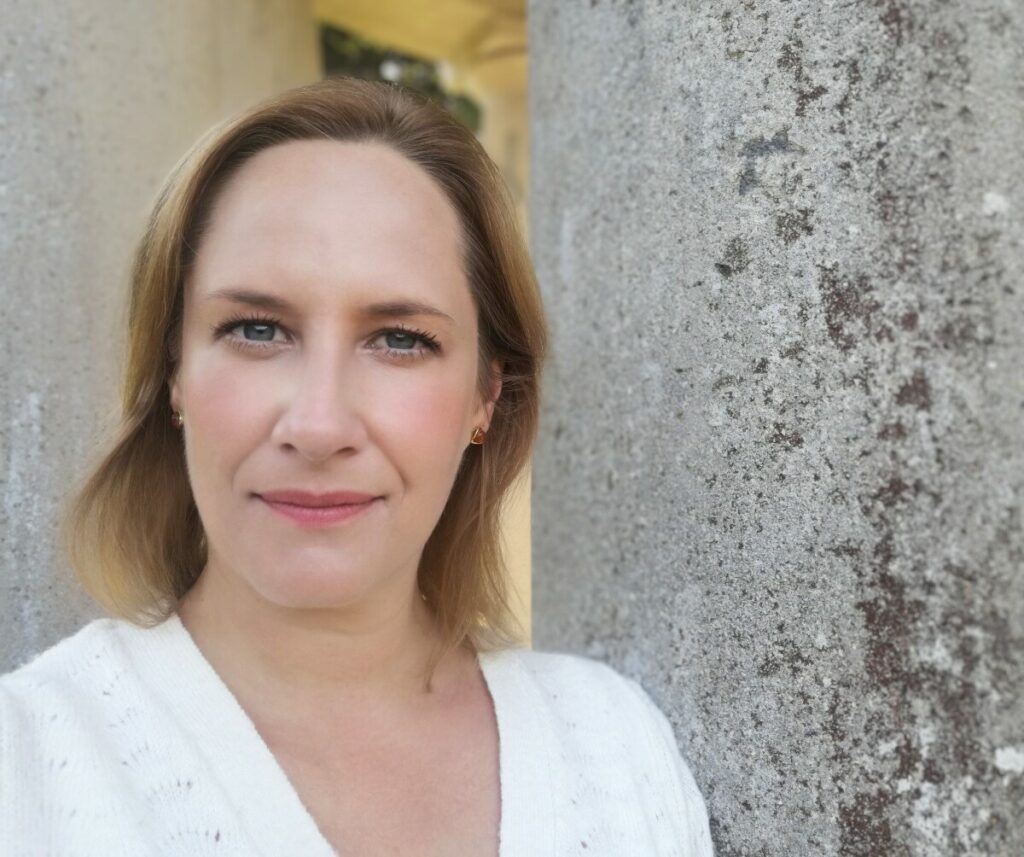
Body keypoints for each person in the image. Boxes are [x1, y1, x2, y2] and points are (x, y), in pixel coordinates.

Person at [0, 77, 713, 856]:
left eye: (400, 340)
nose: (319, 425)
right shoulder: (27, 761)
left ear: (486, 395)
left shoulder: (616, 747)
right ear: (174, 372)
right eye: (257, 329)